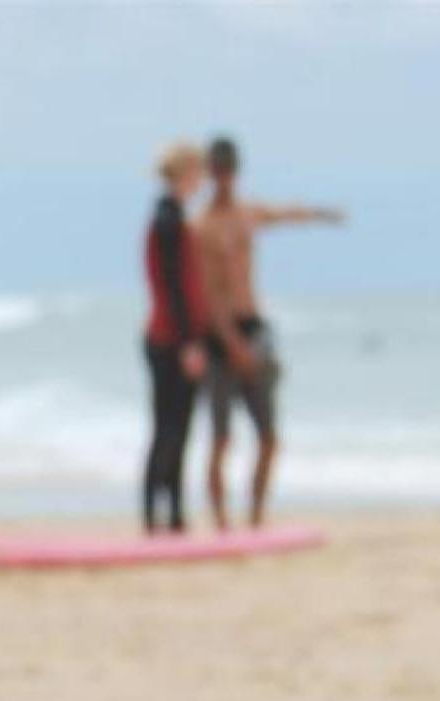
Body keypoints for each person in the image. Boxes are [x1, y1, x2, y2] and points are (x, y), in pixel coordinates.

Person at [196, 135, 346, 528]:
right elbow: (208, 297)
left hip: (253, 327)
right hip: (219, 335)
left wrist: (322, 214)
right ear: (211, 173)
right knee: (222, 438)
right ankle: (222, 522)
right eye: (219, 170)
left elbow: (284, 214)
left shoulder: (247, 215)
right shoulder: (202, 228)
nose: (225, 177)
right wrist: (230, 344)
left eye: (230, 169)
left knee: (268, 437)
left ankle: (256, 517)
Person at [141, 141, 211, 534]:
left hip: (171, 336)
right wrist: (190, 343)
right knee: (169, 430)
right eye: (197, 172)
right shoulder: (168, 221)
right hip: (170, 339)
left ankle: (172, 515)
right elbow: (173, 288)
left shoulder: (172, 217)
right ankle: (158, 516)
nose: (201, 180)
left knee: (176, 430)